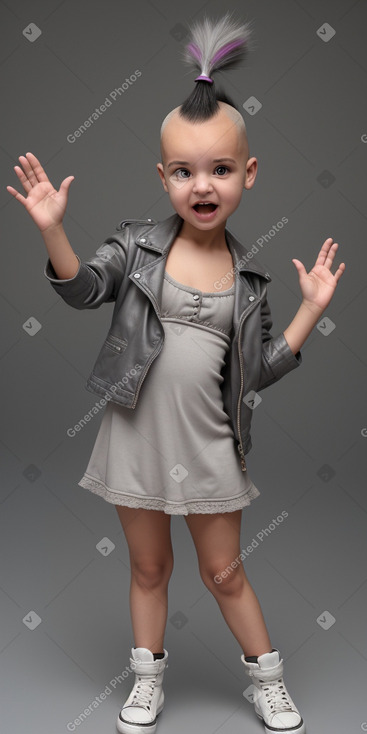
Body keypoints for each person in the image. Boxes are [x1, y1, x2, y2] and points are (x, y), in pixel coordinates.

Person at [6, 12, 345, 734]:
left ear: (247, 175)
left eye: (220, 169)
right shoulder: (136, 248)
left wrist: (310, 310)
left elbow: (258, 370)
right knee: (149, 568)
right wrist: (52, 230)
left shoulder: (249, 278)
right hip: (137, 434)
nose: (202, 185)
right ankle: (146, 679)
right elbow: (82, 289)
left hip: (210, 443)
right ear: (162, 178)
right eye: (184, 171)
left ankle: (267, 681)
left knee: (224, 572)